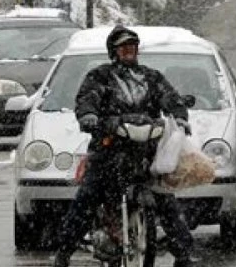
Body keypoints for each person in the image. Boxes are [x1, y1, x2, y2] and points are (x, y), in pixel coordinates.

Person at [52, 25, 198, 267]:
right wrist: (89, 116)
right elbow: (87, 99)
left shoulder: (152, 77)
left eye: (132, 46)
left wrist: (179, 115)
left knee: (165, 198)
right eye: (123, 47)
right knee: (88, 197)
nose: (129, 50)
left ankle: (183, 254)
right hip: (109, 151)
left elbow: (170, 98)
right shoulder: (100, 76)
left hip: (145, 154)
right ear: (114, 51)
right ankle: (64, 252)